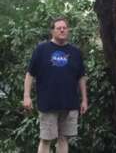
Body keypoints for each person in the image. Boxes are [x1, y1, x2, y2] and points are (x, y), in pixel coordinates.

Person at [23, 17, 88, 153]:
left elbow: (81, 77)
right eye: (59, 28)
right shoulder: (41, 50)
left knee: (64, 138)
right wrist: (27, 96)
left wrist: (84, 100)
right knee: (45, 139)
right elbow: (30, 74)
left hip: (70, 103)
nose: (62, 30)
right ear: (52, 31)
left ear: (68, 30)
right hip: (48, 103)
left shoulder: (75, 52)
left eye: (64, 28)